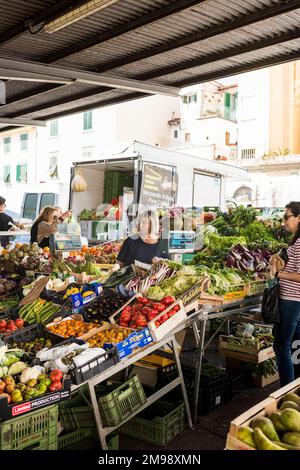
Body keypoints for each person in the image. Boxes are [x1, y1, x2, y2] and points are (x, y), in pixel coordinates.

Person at [269, 201, 300, 386]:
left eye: (287, 217)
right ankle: (294, 387)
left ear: (298, 217)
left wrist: (279, 273)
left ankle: (286, 390)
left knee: (282, 346)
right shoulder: (296, 241)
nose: (284, 221)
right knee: (296, 343)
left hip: (291, 300)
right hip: (294, 301)